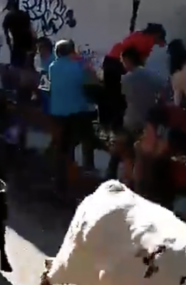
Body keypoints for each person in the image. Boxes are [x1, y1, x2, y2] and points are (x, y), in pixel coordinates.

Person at [107, 46, 166, 182]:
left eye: (122, 61)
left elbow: (121, 100)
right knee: (140, 155)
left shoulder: (126, 79)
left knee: (125, 152)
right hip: (148, 121)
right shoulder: (152, 75)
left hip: (131, 119)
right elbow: (164, 91)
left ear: (128, 60)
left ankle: (124, 179)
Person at [47, 39, 96, 190]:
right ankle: (86, 169)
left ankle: (60, 178)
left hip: (57, 111)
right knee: (84, 139)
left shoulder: (53, 66)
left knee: (62, 146)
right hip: (76, 111)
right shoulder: (79, 66)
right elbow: (91, 81)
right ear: (71, 51)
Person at [101, 24, 166, 133]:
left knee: (112, 95)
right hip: (116, 63)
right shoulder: (147, 41)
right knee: (118, 98)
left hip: (110, 61)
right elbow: (140, 61)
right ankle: (117, 128)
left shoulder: (138, 35)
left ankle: (109, 125)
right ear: (157, 35)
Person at [1, 0, 34, 68]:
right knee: (26, 64)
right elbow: (30, 28)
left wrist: (8, 42)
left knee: (16, 65)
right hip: (28, 42)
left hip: (17, 43)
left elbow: (5, 30)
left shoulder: (9, 16)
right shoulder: (24, 14)